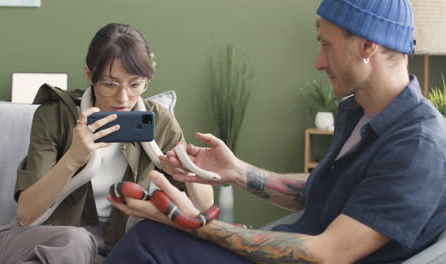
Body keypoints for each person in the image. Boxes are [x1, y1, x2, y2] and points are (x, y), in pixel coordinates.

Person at [105, 0, 446, 263]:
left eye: (327, 45)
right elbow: (324, 191)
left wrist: (189, 220)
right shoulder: (364, 114)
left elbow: (327, 254)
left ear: (368, 46)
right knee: (150, 237)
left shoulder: (417, 145)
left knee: (148, 243)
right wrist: (236, 171)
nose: (319, 62)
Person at [0, 23, 213, 263]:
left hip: (117, 241)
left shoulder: (159, 121)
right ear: (89, 75)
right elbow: (26, 215)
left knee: (160, 238)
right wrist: (73, 157)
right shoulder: (54, 115)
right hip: (47, 235)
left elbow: (204, 208)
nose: (123, 98)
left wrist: (187, 172)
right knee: (76, 242)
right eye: (110, 84)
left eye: (135, 84)